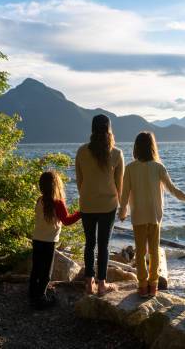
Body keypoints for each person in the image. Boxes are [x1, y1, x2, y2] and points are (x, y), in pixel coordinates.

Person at [119, 132, 185, 298]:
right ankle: (153, 286)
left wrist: (122, 210)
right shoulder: (158, 167)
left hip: (139, 216)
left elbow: (124, 194)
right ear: (152, 147)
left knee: (140, 252)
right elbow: (174, 191)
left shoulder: (130, 168)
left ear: (136, 148)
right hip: (154, 216)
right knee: (154, 251)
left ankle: (142, 286)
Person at [75, 114, 125, 296]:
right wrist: (122, 207)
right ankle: (102, 285)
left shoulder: (81, 151)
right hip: (108, 205)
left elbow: (79, 181)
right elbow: (120, 185)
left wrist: (87, 196)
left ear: (92, 129)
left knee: (89, 243)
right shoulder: (117, 153)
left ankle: (89, 283)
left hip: (87, 203)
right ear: (109, 129)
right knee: (103, 245)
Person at [30, 171, 81, 309]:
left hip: (37, 238)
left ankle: (32, 293)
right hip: (49, 242)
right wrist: (80, 213)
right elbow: (67, 221)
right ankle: (41, 299)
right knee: (46, 273)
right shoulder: (58, 203)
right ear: (56, 186)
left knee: (36, 269)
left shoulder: (39, 200)